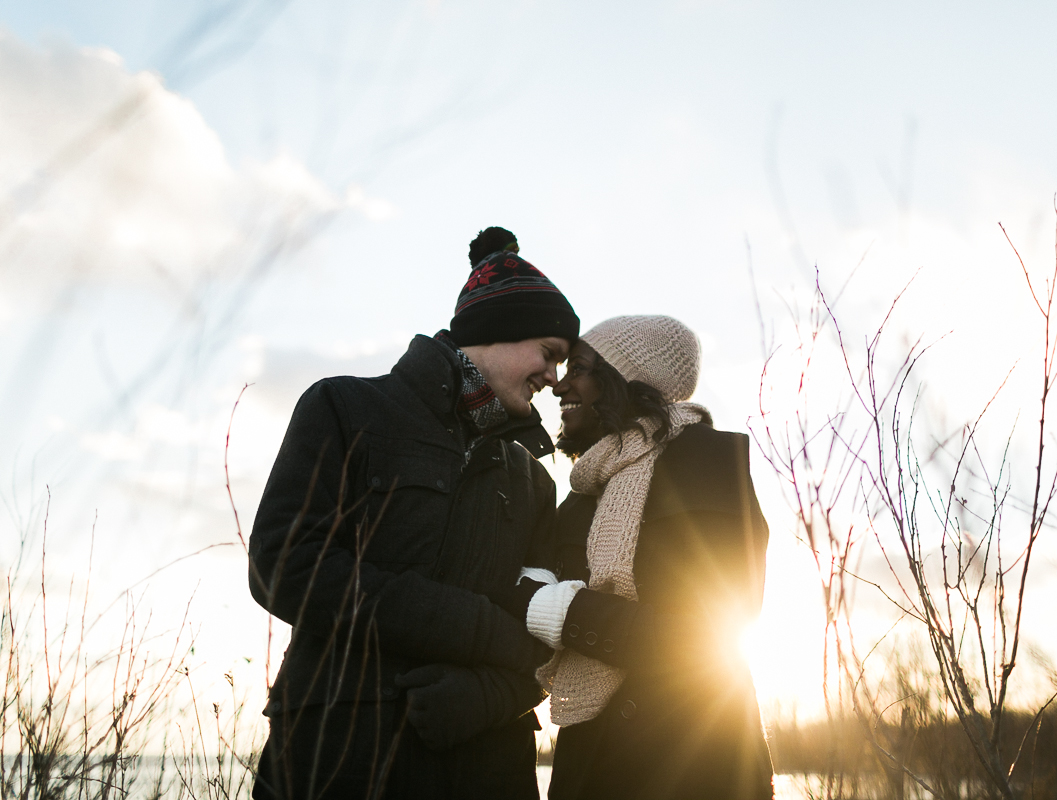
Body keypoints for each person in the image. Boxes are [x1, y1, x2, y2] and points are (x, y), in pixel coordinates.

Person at [247, 227, 578, 800]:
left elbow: (543, 635)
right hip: (339, 760)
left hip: (489, 766)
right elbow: (284, 566)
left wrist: (485, 696)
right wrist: (469, 625)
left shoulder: (534, 482)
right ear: (499, 330)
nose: (554, 378)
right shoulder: (345, 408)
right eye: (549, 355)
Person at [513, 315, 775, 800]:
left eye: (580, 368)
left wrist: (565, 614)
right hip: (590, 771)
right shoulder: (580, 496)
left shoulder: (705, 462)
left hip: (697, 766)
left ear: (630, 380)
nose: (559, 385)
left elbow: (707, 635)